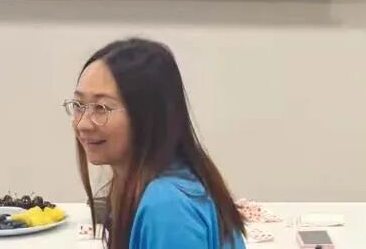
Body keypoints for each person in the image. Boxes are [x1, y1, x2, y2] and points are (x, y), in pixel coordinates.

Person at [64, 38, 246, 249]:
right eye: (78, 105)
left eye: (101, 108)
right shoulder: (151, 185)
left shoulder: (167, 206)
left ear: (147, 116)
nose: (83, 124)